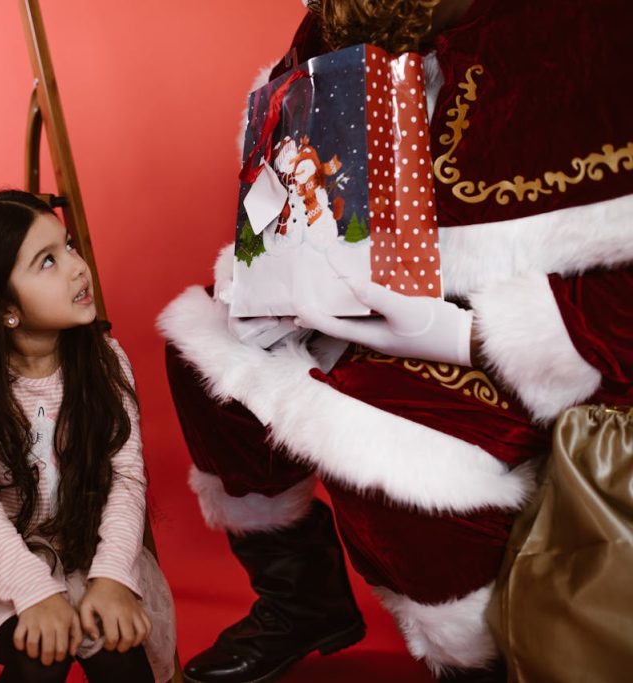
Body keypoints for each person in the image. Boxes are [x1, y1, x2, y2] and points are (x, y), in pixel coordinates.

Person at [158, 1, 633, 682]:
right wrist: (269, 276)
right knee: (206, 349)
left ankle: (474, 658)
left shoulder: (588, 27)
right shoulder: (338, 19)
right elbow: (285, 168)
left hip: (527, 325)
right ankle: (301, 598)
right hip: (359, 297)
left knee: (388, 441)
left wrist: (471, 334)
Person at [0, 191, 176, 683]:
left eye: (67, 246)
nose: (76, 267)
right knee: (42, 649)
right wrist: (35, 591)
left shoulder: (106, 362)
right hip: (6, 564)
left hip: (88, 551)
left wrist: (110, 578)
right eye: (47, 261)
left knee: (116, 644)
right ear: (6, 309)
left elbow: (127, 477)